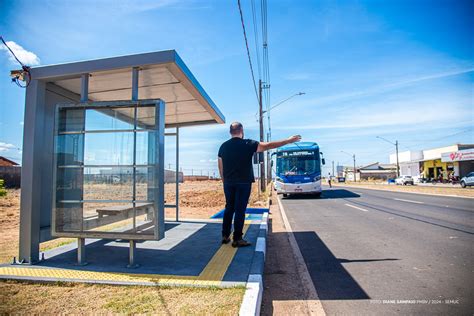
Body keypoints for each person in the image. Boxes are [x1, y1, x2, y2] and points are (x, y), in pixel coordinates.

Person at [218, 122, 301, 247]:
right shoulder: (248, 143)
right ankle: (237, 239)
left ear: (230, 132)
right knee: (240, 209)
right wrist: (288, 141)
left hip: (228, 183)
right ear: (242, 130)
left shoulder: (223, 146)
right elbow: (269, 145)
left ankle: (225, 236)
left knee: (229, 208)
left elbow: (220, 165)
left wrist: (224, 180)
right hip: (244, 182)